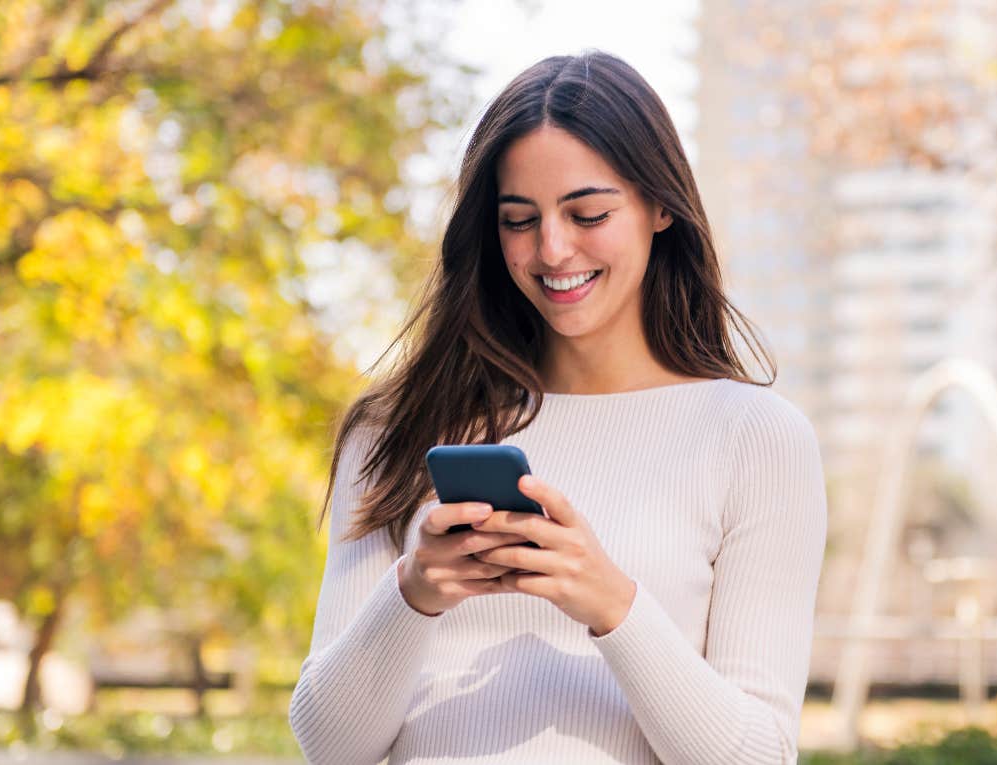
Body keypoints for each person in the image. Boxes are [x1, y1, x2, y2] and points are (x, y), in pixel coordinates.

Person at [288, 50, 827, 765]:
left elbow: (757, 756)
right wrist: (414, 591)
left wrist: (611, 603)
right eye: (519, 219)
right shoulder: (397, 428)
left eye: (588, 212)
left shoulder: (756, 439)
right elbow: (329, 744)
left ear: (660, 205)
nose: (552, 248)